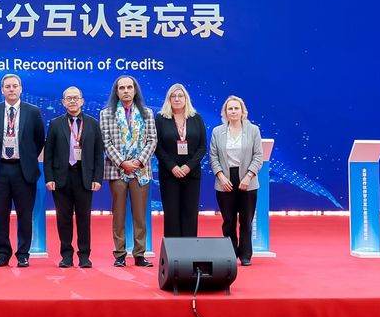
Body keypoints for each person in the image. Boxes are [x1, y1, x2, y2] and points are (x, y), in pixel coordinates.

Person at [0, 74, 45, 268]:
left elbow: (39, 139)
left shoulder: (33, 111)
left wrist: (26, 157)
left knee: (25, 214)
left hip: (23, 170)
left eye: (14, 86)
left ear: (21, 89)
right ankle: (2, 254)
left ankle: (23, 254)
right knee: (1, 215)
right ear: (2, 90)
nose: (11, 89)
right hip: (0, 169)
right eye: (7, 86)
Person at [100, 75, 157, 268]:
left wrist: (139, 161)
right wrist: (123, 163)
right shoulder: (106, 114)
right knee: (119, 214)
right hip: (117, 170)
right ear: (116, 92)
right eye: (121, 88)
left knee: (140, 215)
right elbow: (106, 143)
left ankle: (139, 254)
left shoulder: (147, 113)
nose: (125, 91)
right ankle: (120, 254)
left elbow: (152, 140)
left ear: (135, 90)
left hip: (141, 171)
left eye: (129, 87)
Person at [43, 86, 104, 268]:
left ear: (82, 101)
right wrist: (49, 178)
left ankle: (84, 255)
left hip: (84, 178)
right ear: (63, 102)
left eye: (75, 98)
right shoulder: (55, 124)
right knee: (64, 218)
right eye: (68, 98)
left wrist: (97, 178)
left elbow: (98, 154)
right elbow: (49, 154)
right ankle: (66, 255)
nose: (72, 101)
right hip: (61, 178)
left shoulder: (93, 123)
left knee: (84, 219)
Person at [209, 95, 263, 266]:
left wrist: (248, 176)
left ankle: (246, 254)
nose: (233, 111)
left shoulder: (253, 130)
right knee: (229, 221)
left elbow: (258, 156)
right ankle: (230, 253)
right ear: (225, 112)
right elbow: (213, 157)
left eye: (236, 108)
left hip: (248, 180)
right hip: (224, 180)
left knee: (246, 220)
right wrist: (221, 176)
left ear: (242, 111)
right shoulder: (217, 132)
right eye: (230, 108)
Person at [154, 83, 207, 238]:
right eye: (173, 96)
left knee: (190, 213)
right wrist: (173, 167)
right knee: (171, 214)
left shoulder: (196, 118)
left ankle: (189, 250)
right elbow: (157, 146)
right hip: (169, 174)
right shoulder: (161, 119)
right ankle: (173, 251)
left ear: (186, 98)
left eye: (180, 96)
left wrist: (188, 166)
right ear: (168, 99)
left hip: (192, 174)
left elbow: (202, 146)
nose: (177, 99)